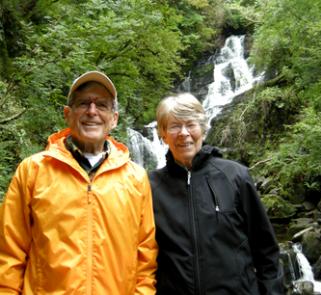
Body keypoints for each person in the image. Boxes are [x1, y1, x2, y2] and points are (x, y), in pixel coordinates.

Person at [0, 70, 158, 294]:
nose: (92, 112)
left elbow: (145, 257)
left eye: (102, 105)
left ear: (114, 119)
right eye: (84, 103)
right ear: (68, 114)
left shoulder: (136, 178)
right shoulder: (33, 171)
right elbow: (9, 253)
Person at [149, 92, 284, 295]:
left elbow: (266, 250)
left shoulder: (236, 176)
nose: (183, 133)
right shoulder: (150, 187)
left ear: (203, 129)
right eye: (175, 126)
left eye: (191, 124)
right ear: (163, 134)